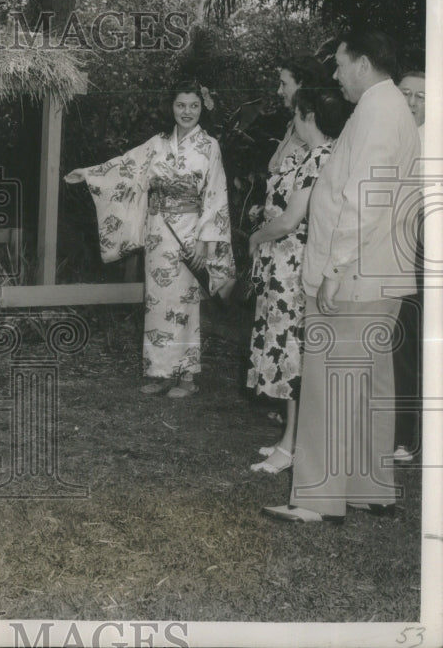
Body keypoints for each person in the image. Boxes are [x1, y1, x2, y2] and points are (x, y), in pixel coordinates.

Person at [262, 30, 420, 523]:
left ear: (363, 64)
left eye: (339, 64)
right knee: (371, 384)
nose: (333, 75)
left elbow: (362, 201)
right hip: (381, 272)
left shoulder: (376, 110)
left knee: (331, 381)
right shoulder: (391, 107)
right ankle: (368, 489)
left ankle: (315, 500)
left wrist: (333, 269)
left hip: (354, 274)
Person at [65, 79, 236, 399]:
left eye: (194, 106)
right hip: (159, 231)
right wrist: (88, 174)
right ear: (171, 107)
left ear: (202, 108)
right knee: (157, 302)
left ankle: (186, 376)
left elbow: (216, 194)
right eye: (181, 105)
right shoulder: (156, 144)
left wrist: (204, 240)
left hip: (190, 232)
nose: (187, 112)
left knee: (185, 303)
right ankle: (159, 372)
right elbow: (125, 166)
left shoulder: (209, 146)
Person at [246, 88, 349, 474]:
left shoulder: (321, 158)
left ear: (308, 116)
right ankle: (289, 437)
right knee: (287, 348)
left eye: (296, 117)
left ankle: (291, 447)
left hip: (293, 265)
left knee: (291, 353)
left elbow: (290, 221)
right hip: (282, 263)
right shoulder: (310, 155)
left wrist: (256, 237)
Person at [392, 70, 425, 463]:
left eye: (420, 96)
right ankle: (402, 435)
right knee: (399, 341)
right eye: (406, 94)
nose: (413, 102)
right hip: (394, 246)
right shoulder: (392, 135)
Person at [266, 57, 333, 174]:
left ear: (301, 85)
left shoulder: (317, 126)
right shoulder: (294, 123)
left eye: (284, 84)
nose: (279, 91)